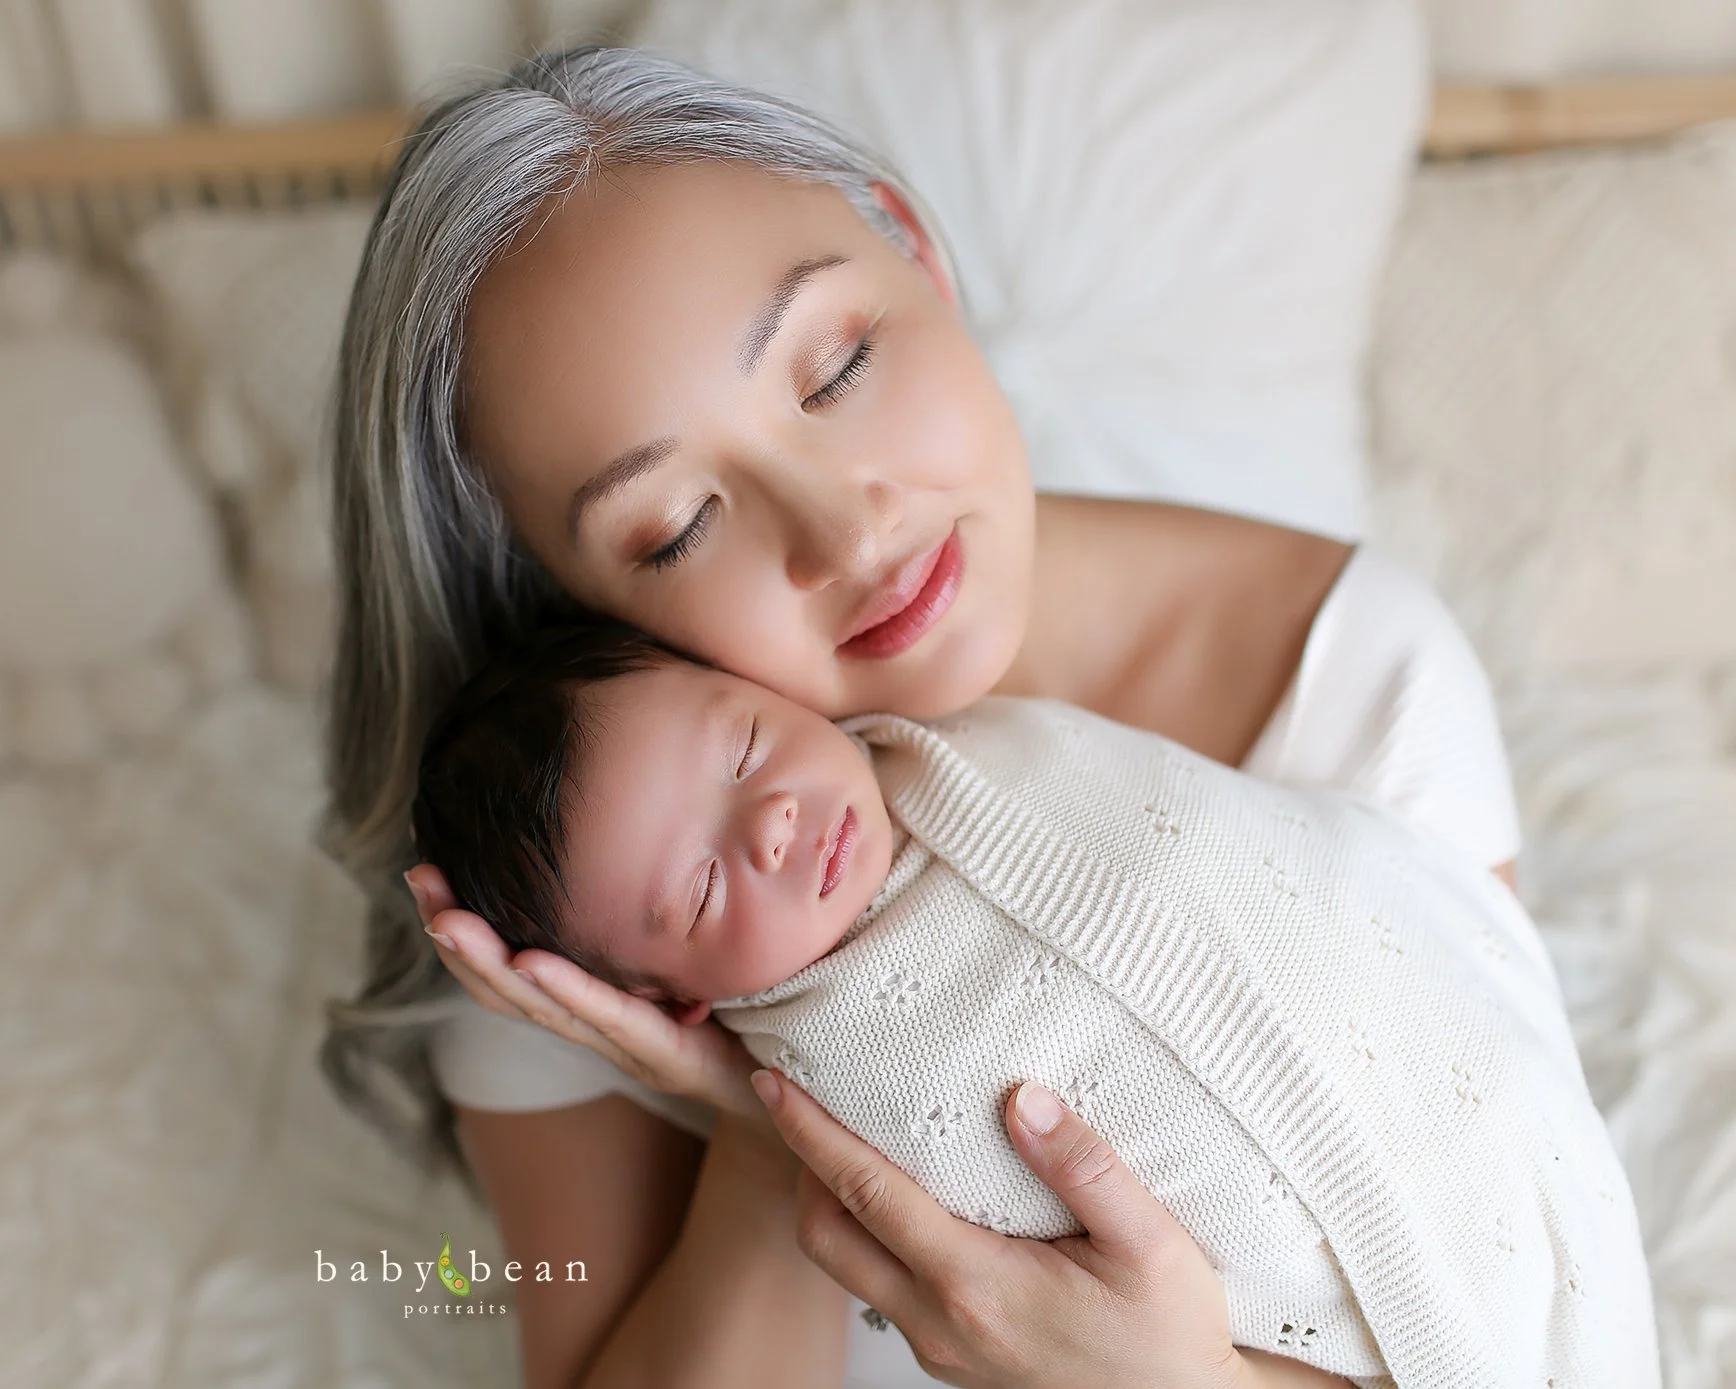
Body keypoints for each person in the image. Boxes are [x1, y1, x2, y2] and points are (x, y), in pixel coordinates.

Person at [320, 43, 1526, 1389]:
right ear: (572, 612)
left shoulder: (1352, 682)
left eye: (835, 369)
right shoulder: (612, 862)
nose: (850, 530)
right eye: (678, 527)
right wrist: (783, 1087)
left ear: (912, 248)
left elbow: (1516, 1290)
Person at [404, 622, 1656, 1388]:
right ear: (663, 995)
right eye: (699, 885)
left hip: (1481, 1076)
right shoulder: (837, 1066)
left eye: (740, 746)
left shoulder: (955, 727)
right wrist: (748, 1101)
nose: (772, 819)